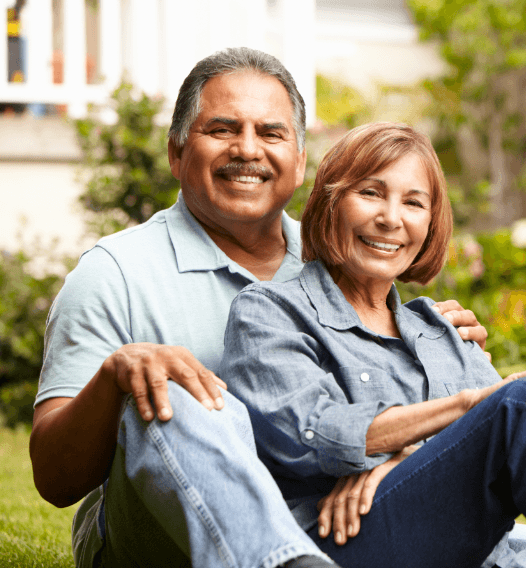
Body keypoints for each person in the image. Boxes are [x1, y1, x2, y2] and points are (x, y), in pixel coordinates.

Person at [30, 49, 488, 568]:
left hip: (333, 523)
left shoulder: (346, 255)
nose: (247, 150)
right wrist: (115, 378)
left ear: (299, 161)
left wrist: (431, 347)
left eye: (271, 134)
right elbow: (53, 477)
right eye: (222, 129)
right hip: (164, 536)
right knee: (177, 384)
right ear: (177, 152)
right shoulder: (114, 271)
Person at [220, 122, 526, 568]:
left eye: (414, 203)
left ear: (430, 223)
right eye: (370, 193)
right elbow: (309, 431)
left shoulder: (442, 330)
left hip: (487, 553)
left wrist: (402, 459)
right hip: (345, 540)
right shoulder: (269, 312)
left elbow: (492, 455)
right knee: (515, 402)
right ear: (330, 202)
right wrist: (466, 406)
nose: (391, 218)